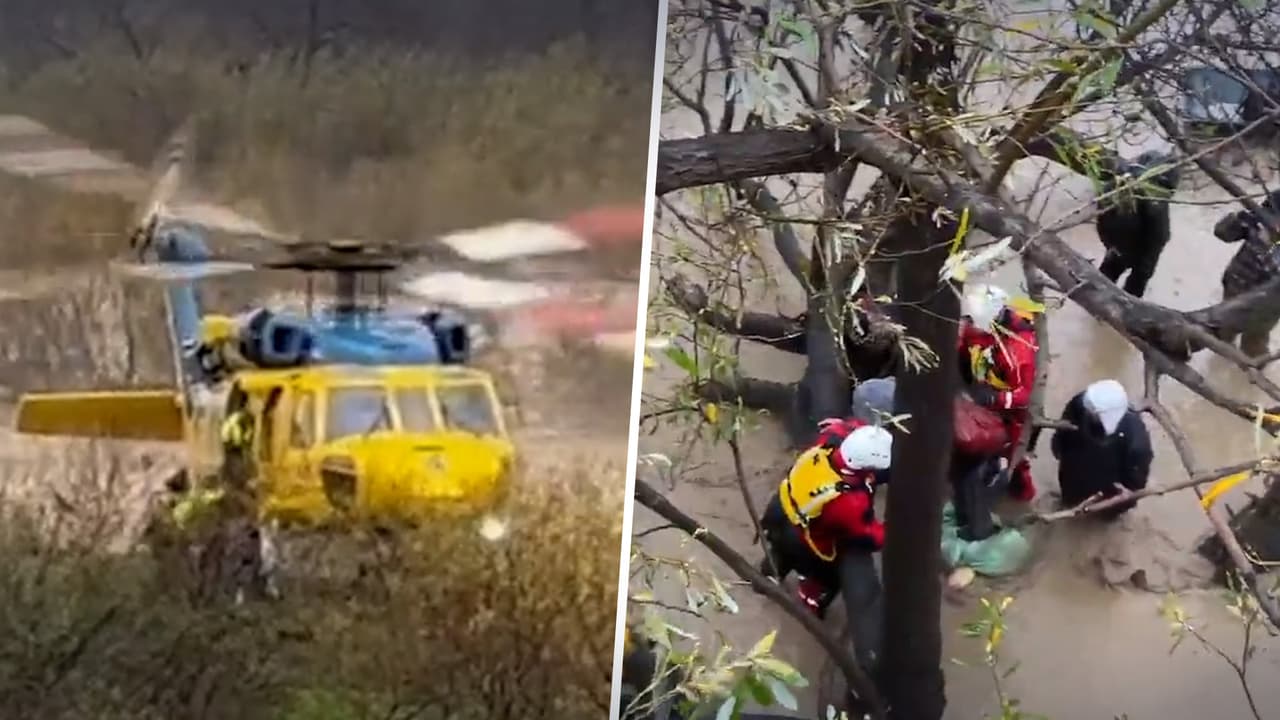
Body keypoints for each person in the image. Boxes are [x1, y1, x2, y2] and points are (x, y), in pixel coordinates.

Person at [759, 423, 891, 677]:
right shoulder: (849, 501)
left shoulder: (827, 443)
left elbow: (844, 427)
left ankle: (765, 577)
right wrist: (892, 530)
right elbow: (866, 535)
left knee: (779, 553)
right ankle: (810, 601)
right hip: (806, 541)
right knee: (827, 578)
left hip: (782, 511)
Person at [957, 283, 1039, 503]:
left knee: (1015, 458)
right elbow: (965, 343)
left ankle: (1021, 493)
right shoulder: (982, 329)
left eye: (971, 321)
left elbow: (1026, 395)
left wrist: (996, 399)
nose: (967, 324)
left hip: (1012, 411)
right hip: (983, 389)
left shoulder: (1019, 352)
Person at [1049, 379, 1152, 519]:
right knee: (1069, 500)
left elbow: (1135, 483)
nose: (1087, 407)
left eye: (1092, 409)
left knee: (1104, 517)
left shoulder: (1136, 440)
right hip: (1073, 469)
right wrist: (1058, 448)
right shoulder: (1082, 402)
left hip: (1108, 485)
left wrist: (1124, 503)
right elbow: (1063, 428)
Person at [1213, 190, 1280, 357]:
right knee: (1223, 333)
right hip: (1237, 285)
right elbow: (1223, 233)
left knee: (1254, 346)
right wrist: (1240, 218)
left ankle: (1252, 375)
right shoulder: (1259, 221)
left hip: (1268, 304)